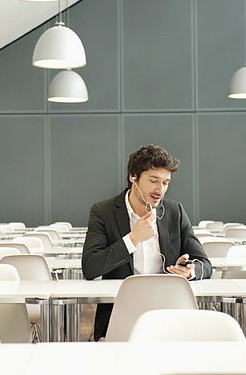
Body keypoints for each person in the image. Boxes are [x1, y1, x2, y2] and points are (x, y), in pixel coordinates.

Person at [82, 144, 212, 341]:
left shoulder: (175, 212)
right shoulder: (103, 211)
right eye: (153, 181)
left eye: (166, 182)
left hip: (170, 314)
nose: (160, 190)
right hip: (121, 315)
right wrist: (132, 239)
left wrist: (191, 270)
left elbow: (205, 265)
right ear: (133, 177)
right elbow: (90, 268)